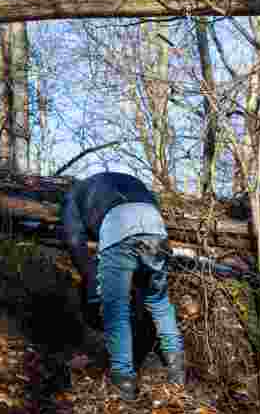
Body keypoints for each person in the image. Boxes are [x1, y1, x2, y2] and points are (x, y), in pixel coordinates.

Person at [60, 171, 185, 400]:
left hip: (118, 229)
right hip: (155, 227)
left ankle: (124, 381)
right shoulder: (129, 182)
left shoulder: (73, 195)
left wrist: (90, 278)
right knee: (158, 300)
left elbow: (73, 240)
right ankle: (177, 371)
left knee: (116, 309)